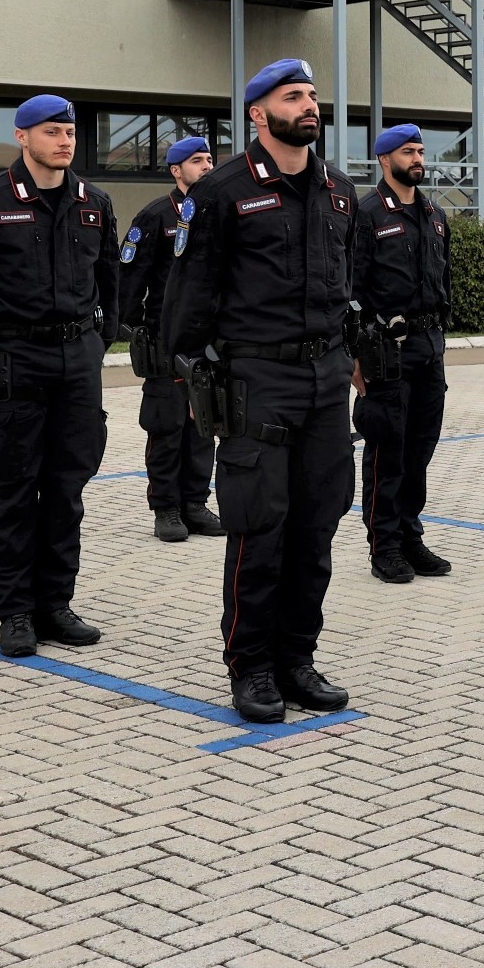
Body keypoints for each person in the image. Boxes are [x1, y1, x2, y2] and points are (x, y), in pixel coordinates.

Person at [162, 59, 359, 725]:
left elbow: (346, 285)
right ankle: (251, 667)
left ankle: (297, 660)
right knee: (258, 528)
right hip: (256, 382)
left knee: (318, 526)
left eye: (310, 95)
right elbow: (187, 302)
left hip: (325, 381)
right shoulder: (221, 191)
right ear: (257, 113)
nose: (308, 105)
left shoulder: (338, 190)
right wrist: (196, 381)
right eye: (291, 96)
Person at [0, 95, 117, 657]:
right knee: (12, 490)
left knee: (66, 489)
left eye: (71, 131)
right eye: (52, 132)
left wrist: (96, 345)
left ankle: (55, 604)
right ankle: (15, 612)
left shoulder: (93, 202)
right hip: (14, 363)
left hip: (76, 363)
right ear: (22, 137)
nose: (65, 140)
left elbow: (110, 287)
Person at [353, 122, 454, 585]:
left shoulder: (434, 215)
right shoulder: (367, 214)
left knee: (420, 451)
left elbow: (443, 281)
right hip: (385, 354)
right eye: (408, 152)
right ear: (384, 159)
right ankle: (385, 546)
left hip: (428, 349)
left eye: (420, 151)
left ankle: (411, 536)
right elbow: (348, 291)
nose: (418, 159)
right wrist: (354, 357)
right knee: (386, 451)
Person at [118, 135, 224, 542]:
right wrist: (127, 328)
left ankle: (195, 504)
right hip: (165, 339)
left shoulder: (220, 213)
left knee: (204, 426)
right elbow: (129, 277)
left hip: (207, 341)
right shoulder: (156, 216)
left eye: (210, 159)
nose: (207, 167)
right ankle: (166, 508)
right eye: (197, 161)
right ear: (176, 170)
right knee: (166, 427)